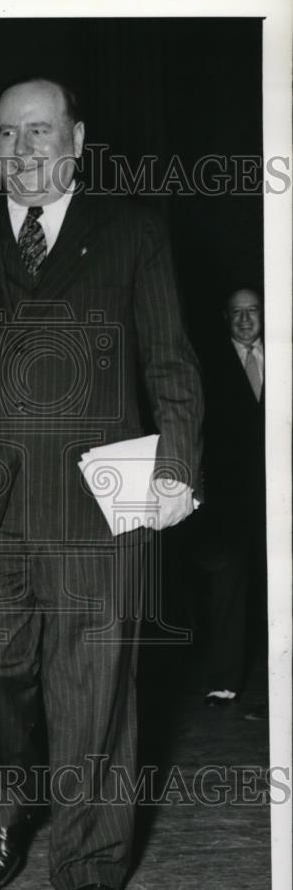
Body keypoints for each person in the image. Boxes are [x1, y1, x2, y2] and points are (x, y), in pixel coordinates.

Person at [0, 77, 203, 890]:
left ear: (78, 140)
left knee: (96, 690)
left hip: (103, 485)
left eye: (41, 132)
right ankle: (7, 806)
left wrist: (179, 467)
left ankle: (89, 863)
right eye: (8, 135)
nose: (24, 150)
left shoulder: (132, 234)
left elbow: (170, 362)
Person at [195, 288, 266, 715]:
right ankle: (224, 681)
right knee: (228, 587)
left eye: (252, 311)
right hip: (228, 497)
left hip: (278, 492)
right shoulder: (207, 363)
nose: (244, 320)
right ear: (226, 318)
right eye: (236, 313)